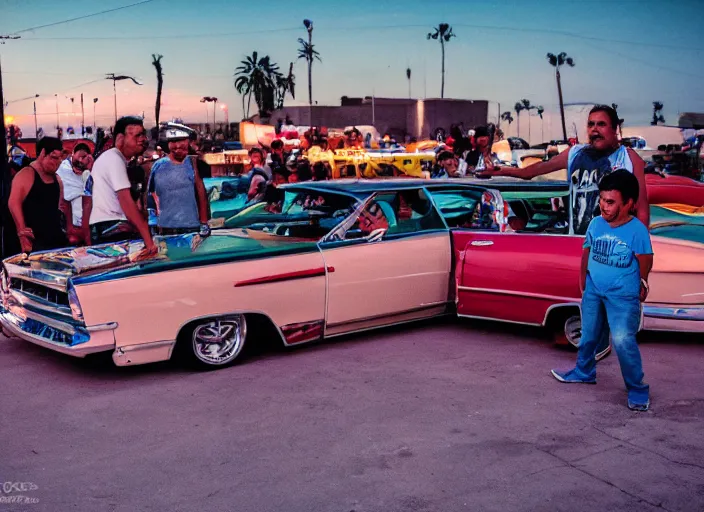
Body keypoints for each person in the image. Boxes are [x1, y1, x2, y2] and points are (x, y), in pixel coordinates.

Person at [551, 170, 653, 412]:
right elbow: (587, 249)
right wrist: (582, 279)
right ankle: (584, 371)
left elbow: (645, 258)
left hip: (623, 295)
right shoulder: (596, 223)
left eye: (610, 202)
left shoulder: (637, 230)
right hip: (594, 290)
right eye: (601, 200)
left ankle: (637, 389)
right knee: (588, 334)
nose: (604, 206)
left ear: (629, 203)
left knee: (622, 339)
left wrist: (644, 282)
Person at [479, 105, 649, 233]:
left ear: (615, 129)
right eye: (591, 125)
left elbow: (641, 209)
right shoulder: (575, 154)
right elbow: (531, 171)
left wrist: (640, 249)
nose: (594, 129)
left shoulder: (628, 157)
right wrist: (500, 171)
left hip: (615, 243)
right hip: (579, 240)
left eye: (601, 124)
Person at [88, 116, 156, 251]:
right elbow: (127, 204)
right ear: (120, 139)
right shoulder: (114, 160)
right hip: (112, 227)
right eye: (137, 135)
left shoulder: (112, 158)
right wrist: (149, 242)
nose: (143, 139)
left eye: (143, 135)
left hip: (104, 226)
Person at [8, 136, 68, 253]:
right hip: (33, 244)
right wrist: (22, 232)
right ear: (43, 153)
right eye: (54, 158)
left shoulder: (57, 180)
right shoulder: (26, 174)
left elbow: (61, 207)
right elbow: (13, 202)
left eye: (60, 159)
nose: (58, 163)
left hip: (54, 242)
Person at [147, 128, 210, 236]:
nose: (178, 146)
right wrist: (155, 216)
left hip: (191, 227)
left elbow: (202, 194)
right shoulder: (158, 165)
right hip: (165, 228)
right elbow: (151, 193)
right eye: (174, 142)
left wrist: (204, 222)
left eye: (181, 142)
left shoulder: (194, 163)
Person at [56, 142, 93, 245]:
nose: (81, 160)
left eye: (84, 158)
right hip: (71, 225)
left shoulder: (90, 172)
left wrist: (90, 169)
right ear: (72, 154)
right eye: (79, 157)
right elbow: (65, 199)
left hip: (89, 223)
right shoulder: (63, 169)